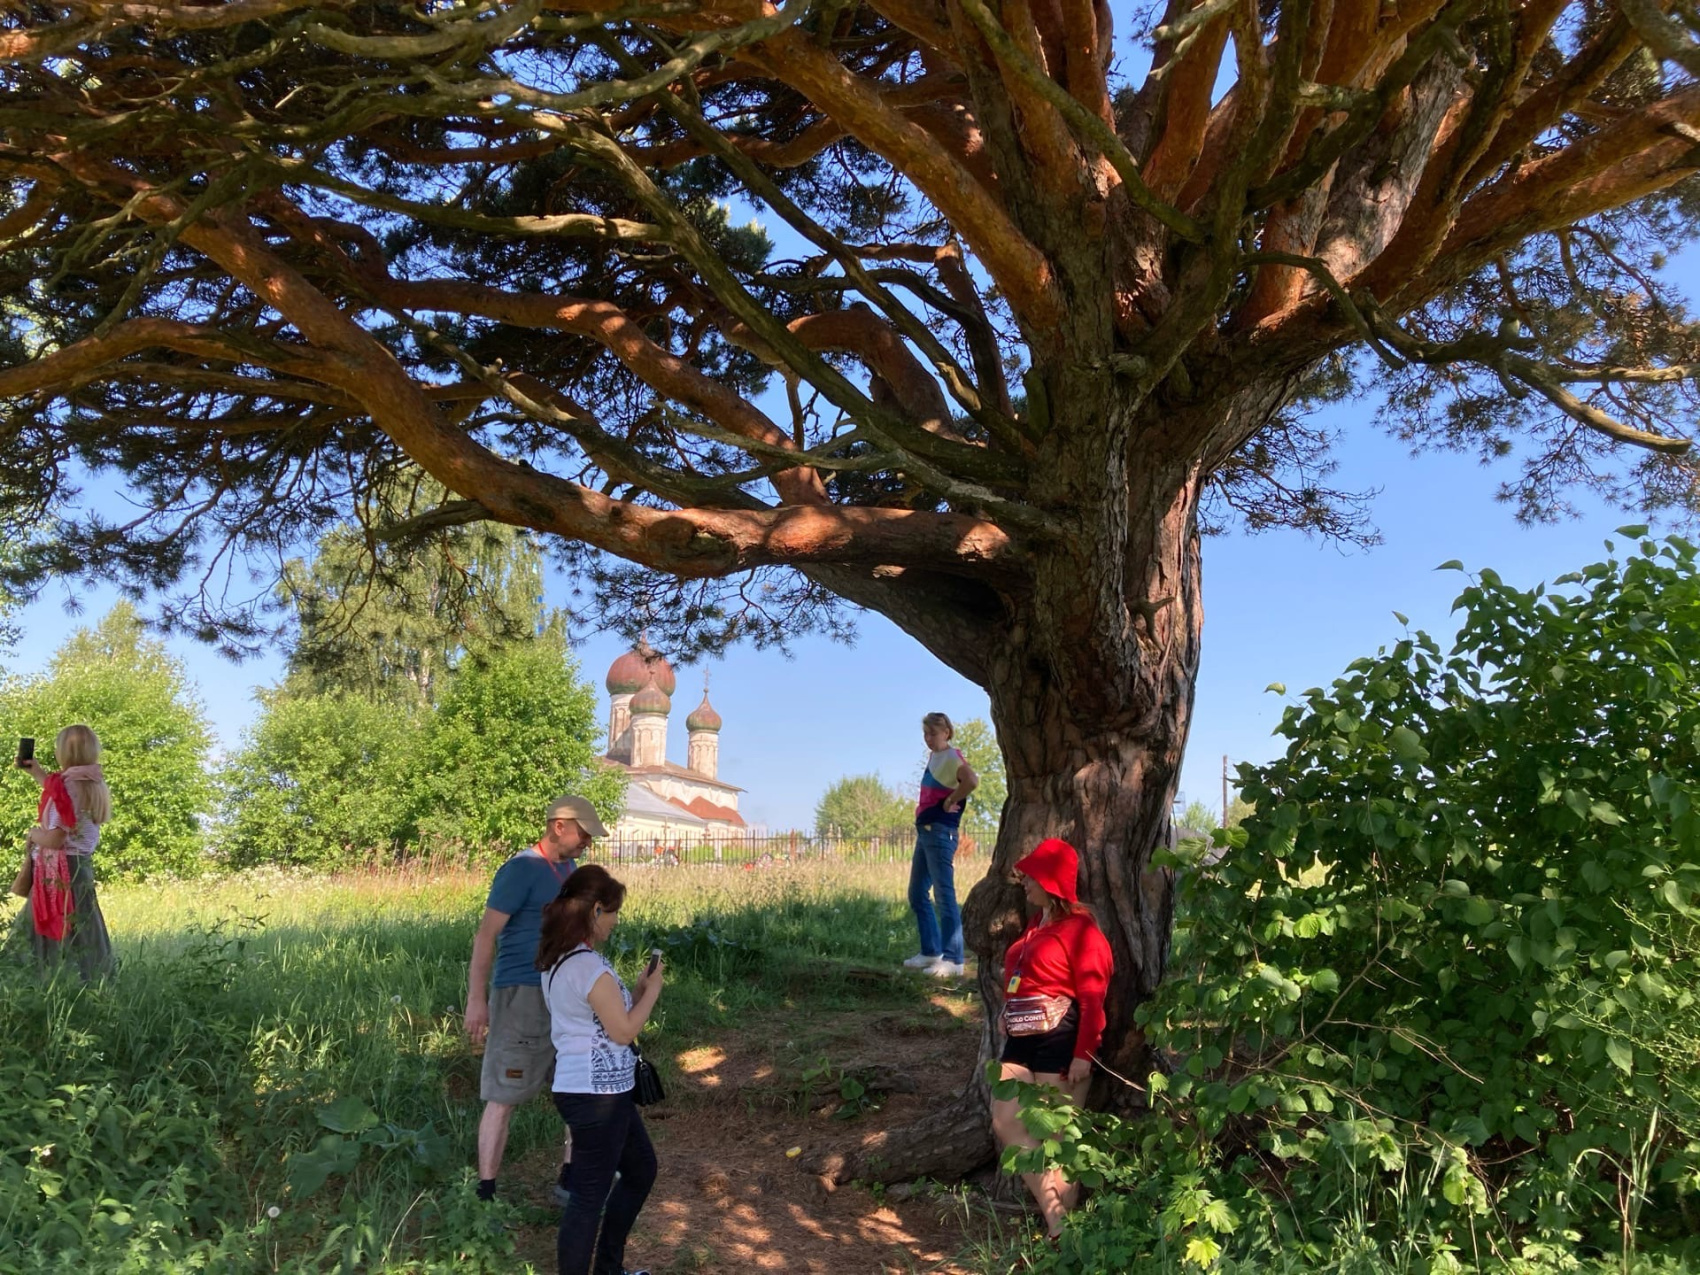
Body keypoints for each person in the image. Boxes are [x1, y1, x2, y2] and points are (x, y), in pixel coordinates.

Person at [466, 794, 608, 1204]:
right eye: (583, 833)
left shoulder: (570, 869)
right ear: (558, 825)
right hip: (521, 995)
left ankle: (570, 1179)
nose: (587, 842)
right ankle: (485, 1195)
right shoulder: (520, 869)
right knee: (503, 1096)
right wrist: (478, 1000)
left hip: (565, 994)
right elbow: (485, 936)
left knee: (578, 1087)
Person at [538, 863, 662, 1275]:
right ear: (595, 911)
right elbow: (624, 1030)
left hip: (599, 1090)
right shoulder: (589, 967)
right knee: (589, 1198)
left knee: (641, 1168)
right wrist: (654, 995)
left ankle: (609, 1267)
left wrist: (638, 990)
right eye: (613, 912)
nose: (615, 921)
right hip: (597, 1097)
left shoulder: (562, 960)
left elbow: (602, 1020)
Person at [990, 837, 1114, 1240]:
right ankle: (1061, 1223)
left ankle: (1061, 1237)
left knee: (1056, 1141)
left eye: (1033, 875)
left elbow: (1094, 997)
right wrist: (1008, 1009)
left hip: (1061, 1039)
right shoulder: (1037, 923)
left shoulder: (1081, 929)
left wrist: (1085, 1053)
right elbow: (1023, 972)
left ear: (1052, 881)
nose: (1024, 881)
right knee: (1004, 1120)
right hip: (1021, 1038)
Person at [8, 724, 115, 981]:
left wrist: (33, 835)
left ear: (65, 752)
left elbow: (56, 838)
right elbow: (65, 796)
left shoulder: (68, 787)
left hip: (59, 871)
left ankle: (29, 981)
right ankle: (93, 982)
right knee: (83, 930)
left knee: (41, 928)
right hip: (80, 867)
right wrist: (38, 774)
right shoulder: (92, 781)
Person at [902, 711, 978, 977]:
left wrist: (950, 800)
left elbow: (971, 780)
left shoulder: (951, 756)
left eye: (933, 733)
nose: (928, 738)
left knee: (944, 895)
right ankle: (931, 951)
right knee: (917, 894)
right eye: (925, 734)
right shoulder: (936, 757)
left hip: (940, 832)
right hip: (926, 832)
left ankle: (954, 960)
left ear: (946, 732)